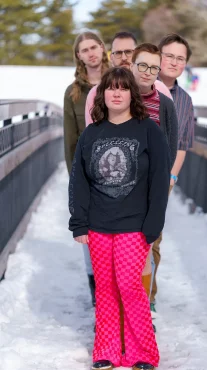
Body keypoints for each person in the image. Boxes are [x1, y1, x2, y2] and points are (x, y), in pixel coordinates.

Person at [68, 67, 170, 370]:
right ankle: (106, 351)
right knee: (106, 288)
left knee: (128, 284)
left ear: (131, 94)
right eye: (110, 88)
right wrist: (79, 223)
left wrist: (154, 224)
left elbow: (159, 179)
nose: (116, 93)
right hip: (98, 224)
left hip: (134, 224)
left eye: (122, 88)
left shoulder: (148, 130)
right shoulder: (92, 132)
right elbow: (79, 181)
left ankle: (143, 352)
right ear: (102, 95)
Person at [85, 43, 179, 319]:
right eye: (143, 66)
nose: (148, 72)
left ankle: (142, 313)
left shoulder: (164, 101)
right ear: (132, 65)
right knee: (112, 257)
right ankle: (114, 318)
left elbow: (170, 146)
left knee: (146, 249)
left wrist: (162, 181)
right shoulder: (113, 94)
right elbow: (94, 140)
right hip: (111, 190)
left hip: (147, 191)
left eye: (154, 67)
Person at [63, 31, 109, 306]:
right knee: (91, 238)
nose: (91, 53)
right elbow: (70, 141)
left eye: (94, 47)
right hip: (89, 176)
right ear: (78, 56)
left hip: (120, 171)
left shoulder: (119, 81)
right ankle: (99, 299)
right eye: (84, 50)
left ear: (102, 48)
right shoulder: (74, 92)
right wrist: (76, 185)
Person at [149, 34, 195, 308]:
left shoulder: (184, 100)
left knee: (153, 239)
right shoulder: (139, 87)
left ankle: (147, 300)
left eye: (181, 58)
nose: (174, 62)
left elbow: (183, 144)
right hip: (129, 176)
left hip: (162, 178)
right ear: (158, 55)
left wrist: (171, 178)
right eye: (169, 55)